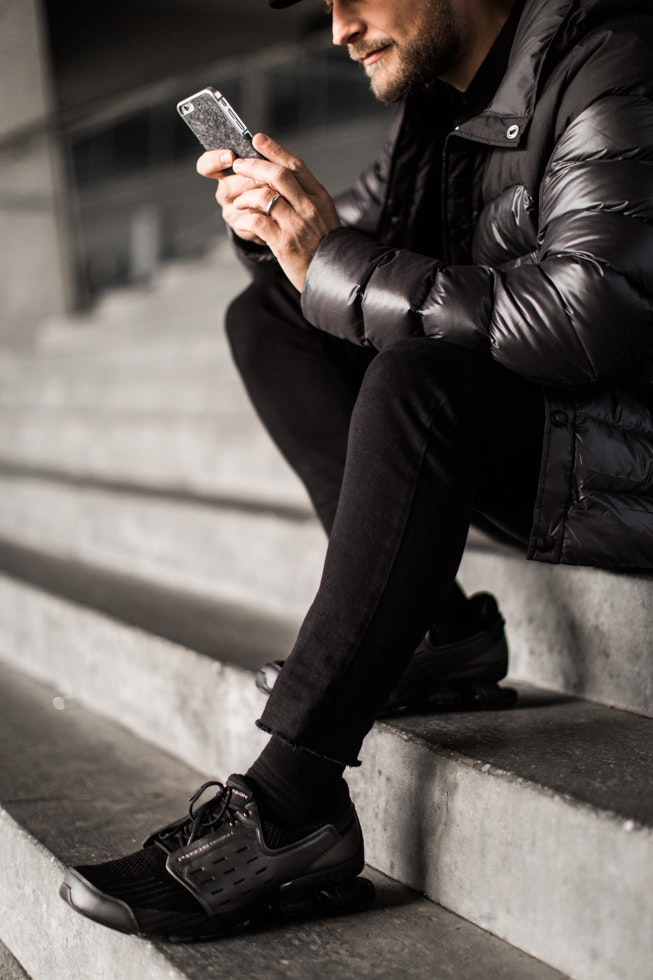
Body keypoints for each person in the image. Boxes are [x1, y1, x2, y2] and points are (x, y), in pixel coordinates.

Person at [60, 0, 653, 941]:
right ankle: (437, 628)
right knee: (268, 317)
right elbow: (337, 274)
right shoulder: (441, 103)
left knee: (418, 380)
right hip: (545, 441)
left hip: (626, 456)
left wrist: (332, 258)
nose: (338, 27)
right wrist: (276, 234)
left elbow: (584, 318)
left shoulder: (613, 58)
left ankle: (292, 804)